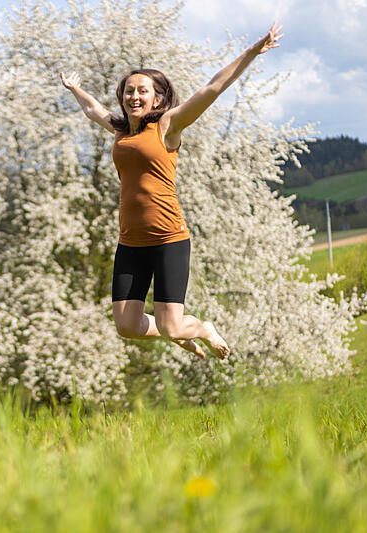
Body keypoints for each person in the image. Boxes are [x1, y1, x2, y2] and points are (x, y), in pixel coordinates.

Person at [61, 23, 284, 359]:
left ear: (158, 98)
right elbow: (94, 110)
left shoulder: (168, 126)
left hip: (168, 239)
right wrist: (74, 89)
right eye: (128, 91)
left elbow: (213, 88)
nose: (134, 96)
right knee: (127, 326)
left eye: (142, 91)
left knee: (173, 326)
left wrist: (252, 52)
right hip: (131, 241)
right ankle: (173, 332)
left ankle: (202, 328)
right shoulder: (120, 129)